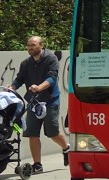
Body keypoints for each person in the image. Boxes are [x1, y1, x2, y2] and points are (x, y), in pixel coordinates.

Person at [13, 35, 71, 171]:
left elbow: (52, 78)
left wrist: (39, 87)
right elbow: (20, 79)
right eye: (28, 45)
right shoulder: (26, 63)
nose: (30, 48)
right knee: (32, 133)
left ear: (42, 45)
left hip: (50, 100)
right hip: (34, 102)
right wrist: (12, 87)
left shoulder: (51, 59)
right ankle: (37, 164)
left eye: (33, 45)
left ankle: (66, 148)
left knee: (52, 132)